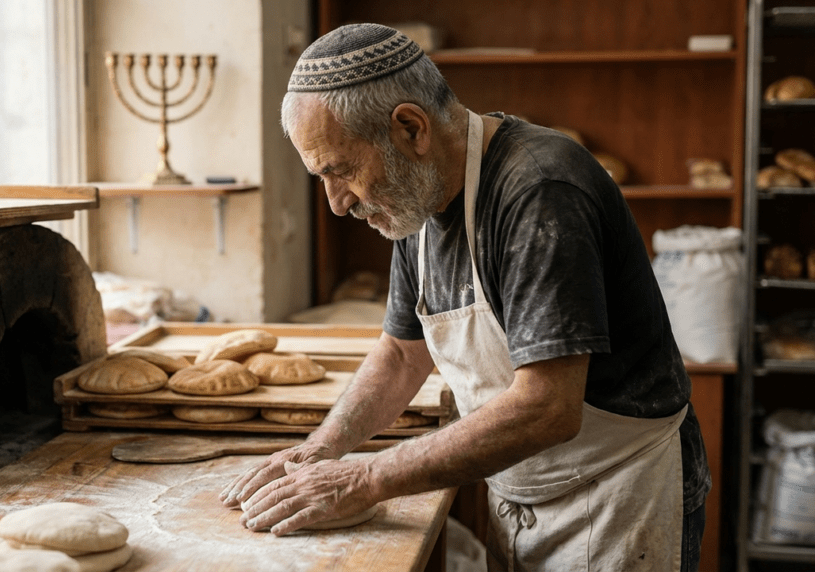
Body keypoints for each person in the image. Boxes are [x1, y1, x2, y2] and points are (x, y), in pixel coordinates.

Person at [220, 23, 709, 571]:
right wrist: (321, 449)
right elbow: (402, 354)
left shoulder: (540, 191)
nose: (336, 203)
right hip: (526, 491)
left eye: (342, 170)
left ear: (410, 128)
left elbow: (548, 407)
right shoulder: (416, 198)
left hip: (620, 495)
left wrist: (368, 477)